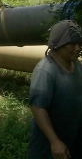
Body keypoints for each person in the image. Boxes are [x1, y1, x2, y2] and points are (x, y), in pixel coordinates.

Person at [27, 20, 82, 159]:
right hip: (48, 147)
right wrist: (54, 141)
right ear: (58, 45)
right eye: (72, 44)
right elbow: (37, 107)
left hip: (73, 139)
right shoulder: (46, 70)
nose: (78, 48)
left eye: (79, 44)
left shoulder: (77, 65)